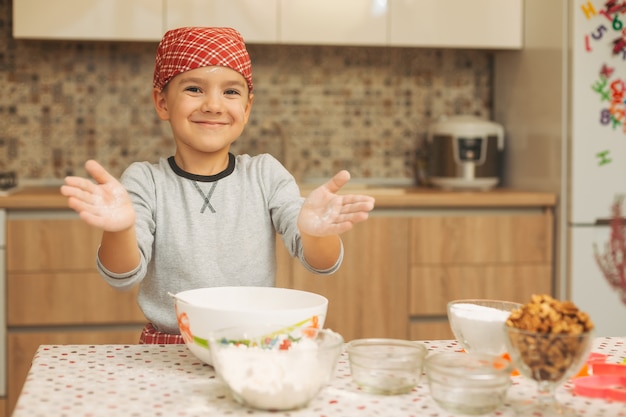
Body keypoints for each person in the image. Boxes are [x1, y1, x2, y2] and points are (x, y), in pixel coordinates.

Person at [60, 27, 376, 344]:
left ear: (247, 108)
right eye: (194, 89)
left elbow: (321, 263)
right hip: (169, 351)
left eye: (231, 92)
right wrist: (120, 229)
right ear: (162, 103)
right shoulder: (146, 181)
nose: (213, 105)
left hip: (253, 346)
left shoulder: (266, 174)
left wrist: (316, 233)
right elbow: (121, 275)